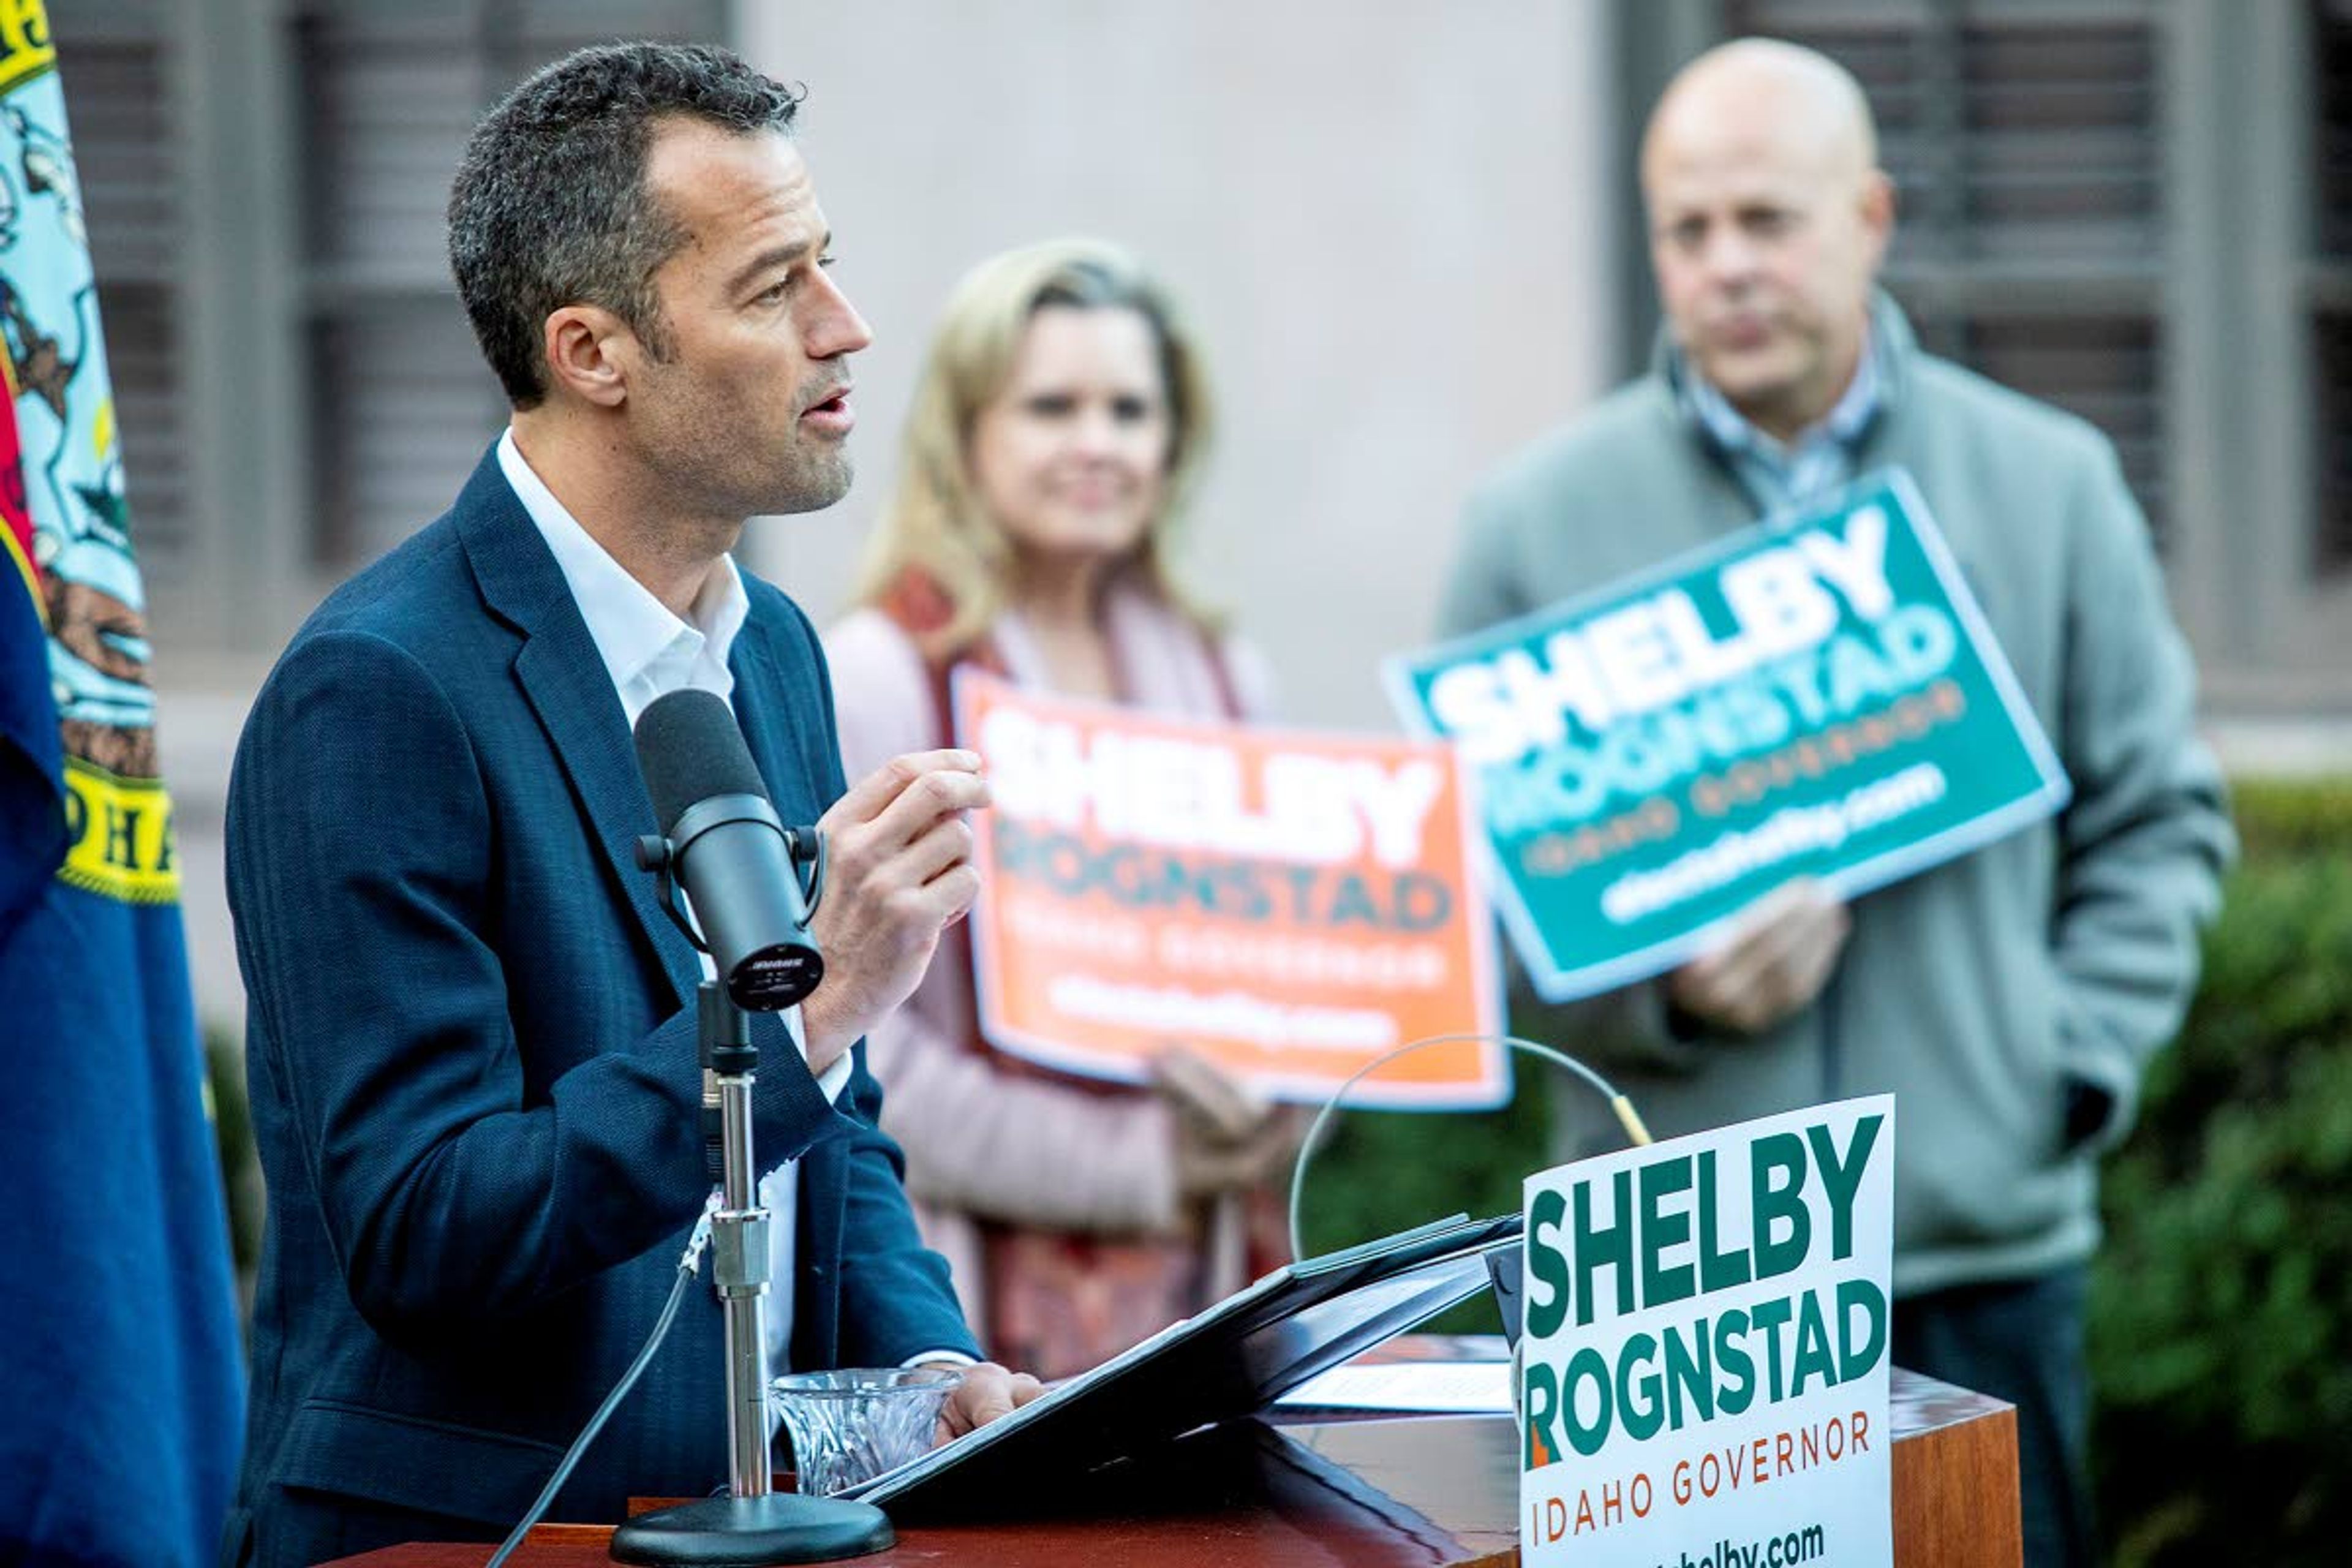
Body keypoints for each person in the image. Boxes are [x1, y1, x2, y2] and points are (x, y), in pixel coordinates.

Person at [222, 43, 1040, 1566]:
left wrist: (936, 1372)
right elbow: (426, 1222)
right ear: (594, 351)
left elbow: (831, 1119)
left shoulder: (773, 647)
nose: (844, 329)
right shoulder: (377, 688)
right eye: (770, 286)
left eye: (831, 266)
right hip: (472, 1536)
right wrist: (806, 1007)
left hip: (770, 1518)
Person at [1438, 39, 2231, 1568]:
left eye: (1769, 220)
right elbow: (1468, 903)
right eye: (1688, 230)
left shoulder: (2050, 482)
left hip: (1980, 1251)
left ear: (1868, 217)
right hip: (1671, 1289)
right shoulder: (1533, 524)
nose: (1728, 265)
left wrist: (2055, 1074)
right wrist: (1662, 994)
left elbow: (2159, 823)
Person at [823, 239, 1297, 1380]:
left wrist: (1270, 1107)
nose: (1097, 444)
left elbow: (1293, 980)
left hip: (1204, 1289)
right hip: (967, 1312)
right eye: (1052, 407)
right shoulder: (878, 675)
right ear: (967, 431)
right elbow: (861, 1054)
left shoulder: (1230, 678)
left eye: (1130, 409)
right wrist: (1143, 1165)